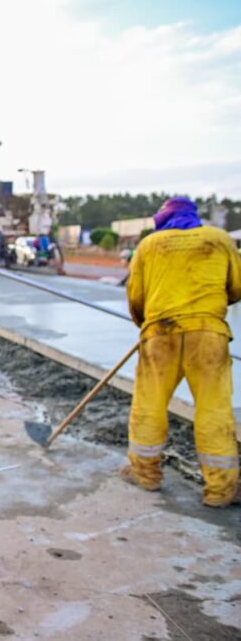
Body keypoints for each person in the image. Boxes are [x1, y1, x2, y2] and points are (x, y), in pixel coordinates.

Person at [121, 196, 241, 507]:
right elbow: (236, 287)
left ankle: (145, 474)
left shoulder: (149, 246)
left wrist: (147, 327)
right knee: (214, 410)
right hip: (209, 335)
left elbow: (136, 296)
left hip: (160, 334)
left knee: (149, 405)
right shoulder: (219, 239)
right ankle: (220, 491)